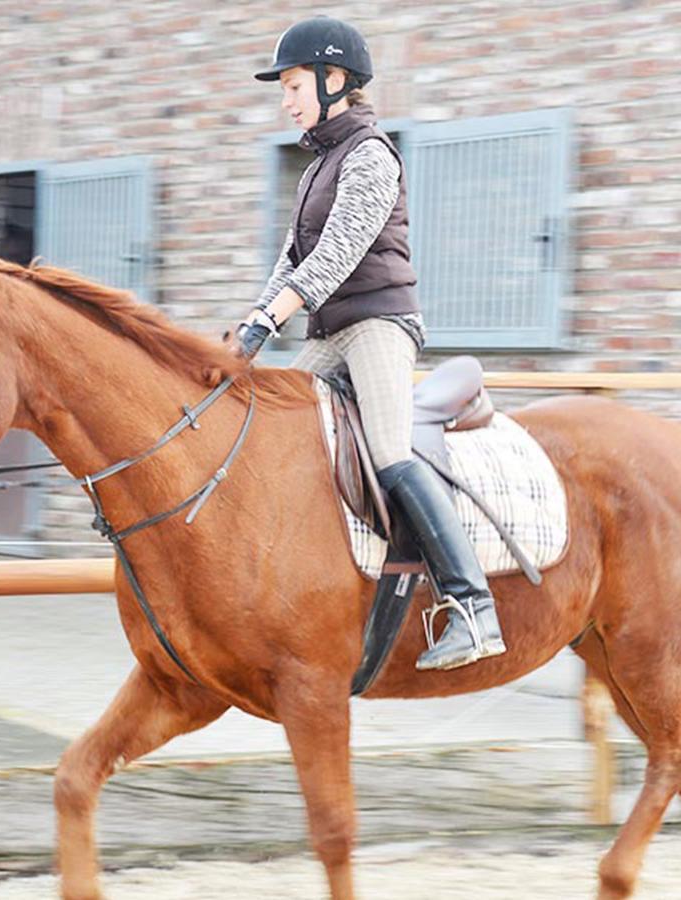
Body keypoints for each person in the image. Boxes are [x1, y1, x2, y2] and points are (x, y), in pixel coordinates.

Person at [236, 16, 505, 671]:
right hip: (331, 331)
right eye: (285, 88)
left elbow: (336, 254)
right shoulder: (316, 167)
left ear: (335, 81)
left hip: (381, 323)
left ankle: (472, 606)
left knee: (388, 449)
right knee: (276, 427)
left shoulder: (370, 155)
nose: (286, 98)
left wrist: (270, 321)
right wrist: (248, 323)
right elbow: (292, 257)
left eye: (294, 85)